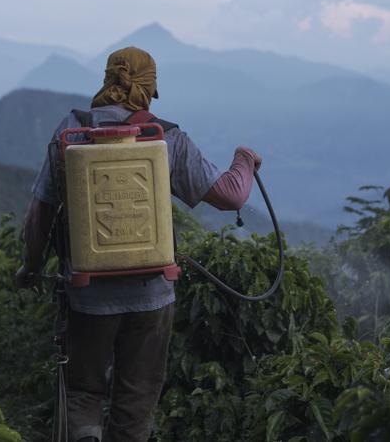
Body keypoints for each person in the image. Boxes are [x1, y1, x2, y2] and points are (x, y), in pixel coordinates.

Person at [15, 45, 261, 442]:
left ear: (106, 79)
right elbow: (230, 196)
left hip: (87, 297)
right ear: (149, 88)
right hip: (152, 298)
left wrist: (29, 267)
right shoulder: (164, 138)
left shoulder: (71, 131)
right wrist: (243, 159)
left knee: (83, 393)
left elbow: (39, 213)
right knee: (136, 400)